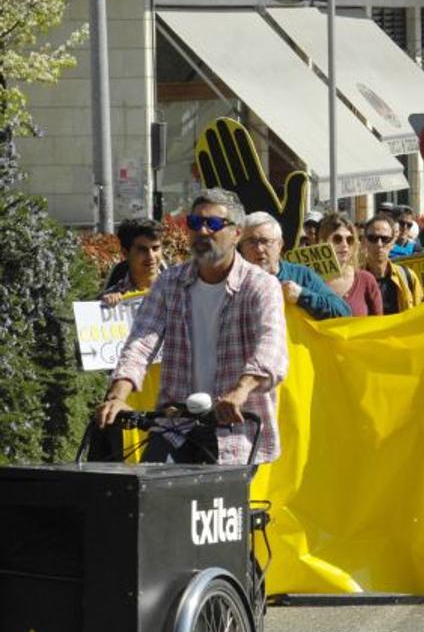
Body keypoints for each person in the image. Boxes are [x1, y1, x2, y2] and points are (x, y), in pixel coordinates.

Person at [96, 189, 289, 465]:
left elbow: (271, 349)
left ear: (236, 232)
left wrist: (241, 391)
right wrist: (117, 396)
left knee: (213, 505)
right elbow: (141, 342)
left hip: (234, 428)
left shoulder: (260, 285)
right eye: (195, 224)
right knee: (149, 495)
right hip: (177, 423)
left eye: (212, 224)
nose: (203, 232)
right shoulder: (169, 282)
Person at [238, 212, 351, 320]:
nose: (259, 249)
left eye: (265, 241)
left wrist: (302, 296)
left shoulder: (301, 276)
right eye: (251, 242)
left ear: (280, 245)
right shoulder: (233, 280)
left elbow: (343, 312)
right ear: (241, 247)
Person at [318, 213, 382, 316]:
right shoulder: (310, 280)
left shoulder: (366, 280)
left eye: (349, 240)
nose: (345, 245)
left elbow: (379, 325)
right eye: (337, 239)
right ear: (322, 242)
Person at [361, 213, 423, 315]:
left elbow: (420, 315)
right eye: (373, 238)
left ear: (393, 242)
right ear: (364, 241)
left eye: (385, 239)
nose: (379, 244)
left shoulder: (407, 277)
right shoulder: (354, 280)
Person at [101, 217, 165, 305]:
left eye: (155, 248)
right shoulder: (110, 296)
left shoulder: (179, 289)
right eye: (142, 250)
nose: (151, 256)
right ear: (125, 253)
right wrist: (104, 305)